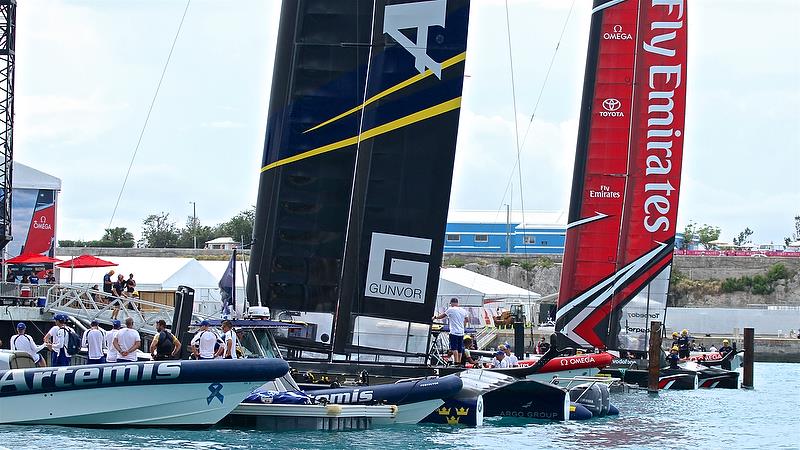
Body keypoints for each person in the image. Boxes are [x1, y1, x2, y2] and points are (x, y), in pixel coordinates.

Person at [432, 298, 469, 366]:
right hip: (461, 332)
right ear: (457, 303)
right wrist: (463, 327)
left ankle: (456, 362)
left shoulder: (451, 309)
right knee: (460, 348)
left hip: (454, 332)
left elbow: (443, 316)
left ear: (451, 303)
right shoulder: (464, 310)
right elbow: (467, 320)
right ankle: (459, 362)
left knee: (454, 348)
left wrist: (435, 317)